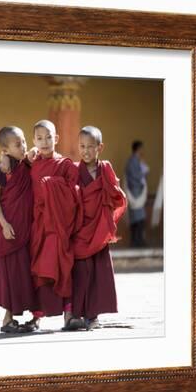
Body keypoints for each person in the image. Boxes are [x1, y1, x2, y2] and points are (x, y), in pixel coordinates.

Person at [4, 120, 83, 332]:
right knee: (38, 271)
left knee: (62, 267)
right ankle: (36, 317)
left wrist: (51, 184)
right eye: (39, 138)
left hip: (58, 227)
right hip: (38, 226)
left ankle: (69, 314)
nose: (45, 142)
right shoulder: (31, 163)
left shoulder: (65, 164)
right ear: (34, 141)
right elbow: (10, 173)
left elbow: (73, 193)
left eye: (49, 137)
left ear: (56, 138)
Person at [71, 126, 127, 330]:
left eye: (90, 146)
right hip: (81, 227)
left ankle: (93, 315)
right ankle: (76, 313)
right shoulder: (75, 169)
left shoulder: (105, 168)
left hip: (100, 228)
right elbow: (70, 196)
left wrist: (111, 195)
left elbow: (115, 193)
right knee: (80, 271)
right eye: (82, 146)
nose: (85, 151)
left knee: (98, 272)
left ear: (100, 147)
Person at [0, 126, 37, 334]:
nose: (23, 146)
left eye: (24, 141)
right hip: (3, 228)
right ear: (5, 149)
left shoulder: (27, 165)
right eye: (18, 144)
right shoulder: (0, 170)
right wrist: (5, 224)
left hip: (22, 230)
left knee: (16, 274)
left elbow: (38, 150)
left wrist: (28, 152)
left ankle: (8, 318)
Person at [124, 140, 149, 247]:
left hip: (136, 191)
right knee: (138, 218)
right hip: (135, 192)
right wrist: (143, 172)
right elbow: (136, 176)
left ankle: (137, 241)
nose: (143, 151)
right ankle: (137, 241)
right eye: (142, 148)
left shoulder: (135, 160)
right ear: (138, 149)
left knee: (138, 218)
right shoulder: (133, 161)